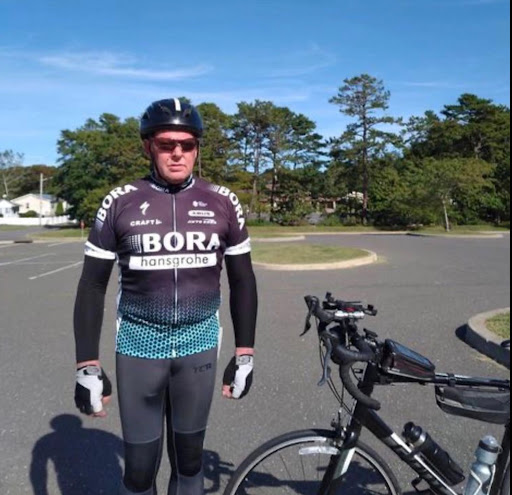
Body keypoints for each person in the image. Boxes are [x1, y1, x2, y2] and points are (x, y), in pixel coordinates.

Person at [73, 98, 258, 495]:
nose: (177, 153)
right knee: (139, 471)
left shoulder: (223, 201)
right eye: (166, 144)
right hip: (139, 343)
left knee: (190, 462)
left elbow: (243, 280)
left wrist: (245, 353)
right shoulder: (119, 201)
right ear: (148, 147)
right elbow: (91, 286)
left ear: (197, 148)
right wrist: (87, 365)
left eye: (187, 145)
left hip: (198, 342)